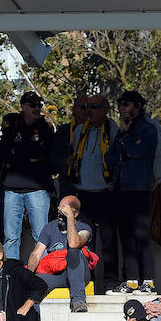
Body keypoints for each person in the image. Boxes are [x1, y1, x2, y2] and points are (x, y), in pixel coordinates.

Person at [52, 94, 117, 287]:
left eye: (95, 107)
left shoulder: (112, 130)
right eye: (87, 106)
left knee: (109, 242)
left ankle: (111, 283)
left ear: (105, 109)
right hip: (84, 194)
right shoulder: (80, 130)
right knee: (86, 242)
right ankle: (88, 281)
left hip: (105, 192)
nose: (90, 110)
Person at [106, 90, 159, 294]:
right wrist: (125, 145)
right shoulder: (123, 130)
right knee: (126, 236)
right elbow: (111, 157)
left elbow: (137, 152)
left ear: (137, 107)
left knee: (142, 234)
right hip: (121, 187)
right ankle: (131, 281)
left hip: (139, 187)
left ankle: (148, 281)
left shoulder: (147, 129)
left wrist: (126, 141)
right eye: (119, 105)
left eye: (126, 105)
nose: (121, 109)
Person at [1, 91, 56, 262]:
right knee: (11, 237)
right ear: (23, 107)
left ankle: (44, 276)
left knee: (41, 236)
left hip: (38, 188)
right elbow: (6, 152)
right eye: (32, 105)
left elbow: (45, 154)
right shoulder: (12, 126)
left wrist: (23, 155)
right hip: (12, 188)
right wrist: (29, 156)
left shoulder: (46, 128)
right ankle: (12, 275)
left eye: (39, 105)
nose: (37, 109)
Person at [27, 195, 94, 313]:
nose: (60, 212)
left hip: (79, 273)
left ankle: (78, 301)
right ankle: (35, 320)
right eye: (59, 208)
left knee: (74, 251)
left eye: (64, 209)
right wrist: (28, 276)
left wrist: (69, 218)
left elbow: (73, 244)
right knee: (34, 282)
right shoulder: (50, 227)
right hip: (59, 275)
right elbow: (36, 254)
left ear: (76, 213)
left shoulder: (84, 227)